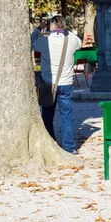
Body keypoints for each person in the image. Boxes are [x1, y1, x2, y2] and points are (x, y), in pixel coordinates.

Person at [31, 15, 82, 154]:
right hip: (66, 84)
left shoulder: (45, 41)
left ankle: (51, 142)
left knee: (47, 115)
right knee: (67, 116)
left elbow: (30, 41)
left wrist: (39, 28)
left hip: (49, 84)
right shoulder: (70, 40)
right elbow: (79, 42)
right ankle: (69, 147)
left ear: (51, 26)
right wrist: (67, 30)